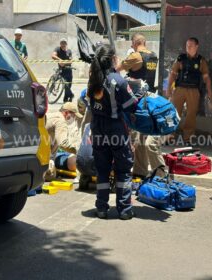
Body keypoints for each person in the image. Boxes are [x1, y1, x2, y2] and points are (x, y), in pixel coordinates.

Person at [88, 44, 138, 220]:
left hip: (97, 129)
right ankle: (124, 210)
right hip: (115, 128)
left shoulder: (93, 79)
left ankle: (101, 208)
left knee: (102, 169)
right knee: (123, 169)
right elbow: (132, 105)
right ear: (112, 59)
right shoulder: (119, 80)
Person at [116, 33, 166, 178]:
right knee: (143, 138)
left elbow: (118, 68)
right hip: (150, 99)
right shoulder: (153, 56)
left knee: (138, 138)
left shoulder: (135, 56)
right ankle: (141, 172)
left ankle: (141, 172)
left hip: (137, 101)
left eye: (132, 44)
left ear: (134, 43)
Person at [166, 37, 212, 144]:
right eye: (187, 45)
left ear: (197, 46)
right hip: (179, 89)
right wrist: (168, 88)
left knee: (191, 114)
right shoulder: (180, 58)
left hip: (193, 90)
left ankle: (188, 137)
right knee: (172, 112)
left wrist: (210, 92)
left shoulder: (201, 60)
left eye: (191, 45)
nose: (188, 47)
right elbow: (173, 73)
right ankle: (170, 135)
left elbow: (206, 77)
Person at [52, 38, 74, 103]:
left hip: (69, 70)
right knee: (64, 83)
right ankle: (52, 90)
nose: (63, 44)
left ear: (66, 44)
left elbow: (71, 61)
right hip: (61, 70)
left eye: (64, 43)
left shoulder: (69, 51)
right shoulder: (57, 49)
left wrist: (64, 63)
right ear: (60, 44)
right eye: (62, 43)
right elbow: (53, 56)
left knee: (68, 86)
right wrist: (60, 60)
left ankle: (66, 99)